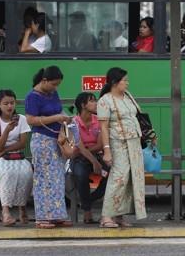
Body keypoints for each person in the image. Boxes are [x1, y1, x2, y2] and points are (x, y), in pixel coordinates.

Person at [97, 67, 147, 227]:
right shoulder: (105, 101)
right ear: (114, 82)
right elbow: (104, 127)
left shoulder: (128, 97)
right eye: (124, 80)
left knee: (131, 178)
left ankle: (119, 214)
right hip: (118, 143)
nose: (127, 83)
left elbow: (137, 116)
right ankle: (106, 216)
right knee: (119, 177)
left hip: (134, 142)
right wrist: (106, 150)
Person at [25, 66, 72, 229]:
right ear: (44, 81)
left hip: (56, 139)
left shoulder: (53, 94)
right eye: (53, 84)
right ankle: (42, 216)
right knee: (43, 179)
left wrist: (64, 119)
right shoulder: (32, 97)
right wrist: (56, 117)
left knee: (57, 178)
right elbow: (30, 120)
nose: (55, 88)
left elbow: (59, 110)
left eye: (57, 84)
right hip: (42, 140)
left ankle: (57, 214)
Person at [0, 89, 33, 227]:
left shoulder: (22, 119)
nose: (9, 106)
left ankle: (22, 207)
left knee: (27, 172)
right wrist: (7, 130)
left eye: (12, 103)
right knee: (9, 173)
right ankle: (5, 211)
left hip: (15, 154)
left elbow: (22, 142)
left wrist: (6, 150)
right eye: (5, 103)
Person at [66, 92, 109, 224]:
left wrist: (88, 153)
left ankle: (88, 200)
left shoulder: (99, 121)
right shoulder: (73, 123)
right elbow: (77, 147)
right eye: (92, 101)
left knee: (112, 171)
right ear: (83, 105)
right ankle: (87, 212)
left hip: (94, 155)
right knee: (81, 174)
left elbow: (100, 144)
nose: (96, 103)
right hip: (79, 159)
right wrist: (93, 161)